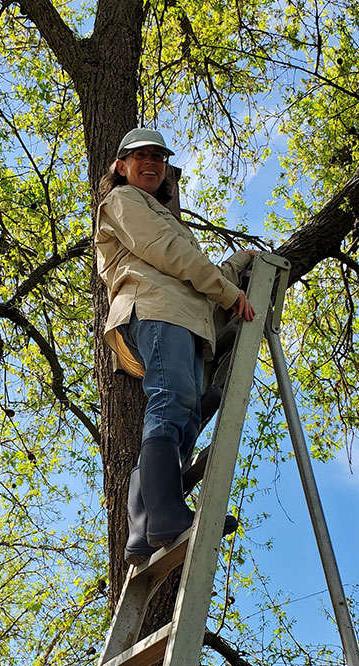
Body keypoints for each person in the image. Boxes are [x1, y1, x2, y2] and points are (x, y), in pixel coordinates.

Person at [95, 128, 256, 564]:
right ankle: (166, 513)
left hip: (181, 317)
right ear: (121, 166)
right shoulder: (123, 201)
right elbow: (168, 254)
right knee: (171, 401)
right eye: (141, 155)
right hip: (154, 309)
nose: (151, 163)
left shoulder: (164, 216)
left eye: (159, 158)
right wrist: (227, 293)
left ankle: (144, 530)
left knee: (184, 414)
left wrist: (240, 266)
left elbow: (195, 273)